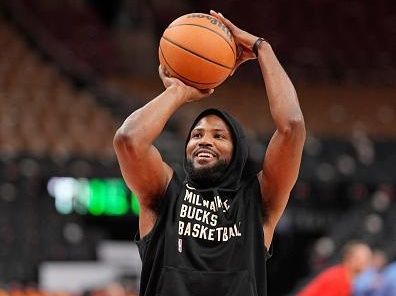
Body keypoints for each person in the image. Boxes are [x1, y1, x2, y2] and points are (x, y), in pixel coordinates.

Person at [113, 10, 305, 296]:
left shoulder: (258, 201)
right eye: (197, 134)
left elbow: (292, 127)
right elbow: (129, 140)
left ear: (237, 150)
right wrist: (178, 91)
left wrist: (261, 48)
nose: (205, 141)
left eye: (219, 136)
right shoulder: (165, 193)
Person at [298, 241, 372, 296]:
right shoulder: (337, 278)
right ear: (351, 258)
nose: (367, 262)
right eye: (363, 258)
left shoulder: (349, 279)